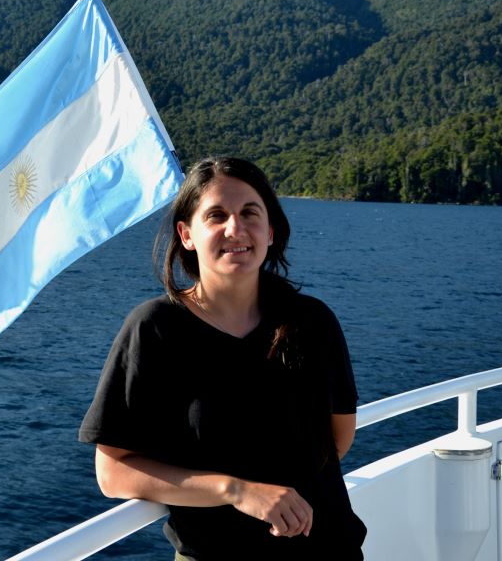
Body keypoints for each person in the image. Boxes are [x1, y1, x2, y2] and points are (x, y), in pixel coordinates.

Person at [79, 156, 367, 559]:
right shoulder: (156, 329)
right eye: (216, 215)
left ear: (270, 231)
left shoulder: (313, 323)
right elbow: (113, 473)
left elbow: (338, 438)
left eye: (250, 213)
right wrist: (235, 490)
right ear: (187, 234)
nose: (236, 228)